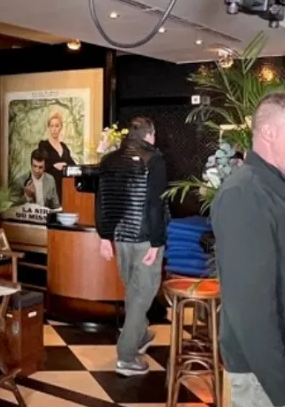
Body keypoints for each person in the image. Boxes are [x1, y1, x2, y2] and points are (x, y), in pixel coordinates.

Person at [212, 92, 285, 407]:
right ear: (268, 133)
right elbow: (249, 307)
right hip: (267, 376)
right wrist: (284, 393)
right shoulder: (245, 194)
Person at [95, 116, 169, 376]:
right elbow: (155, 204)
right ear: (149, 135)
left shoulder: (108, 160)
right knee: (142, 293)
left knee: (133, 290)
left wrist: (104, 236)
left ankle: (140, 333)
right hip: (145, 237)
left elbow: (101, 201)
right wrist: (157, 242)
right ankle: (127, 356)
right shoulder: (154, 160)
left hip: (120, 237)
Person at [34, 112, 74, 177]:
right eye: (52, 126)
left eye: (57, 126)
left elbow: (73, 165)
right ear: (49, 127)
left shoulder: (64, 147)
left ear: (61, 127)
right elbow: (43, 165)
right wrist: (54, 166)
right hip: (50, 181)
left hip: (65, 181)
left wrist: (66, 165)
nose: (54, 129)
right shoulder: (43, 145)